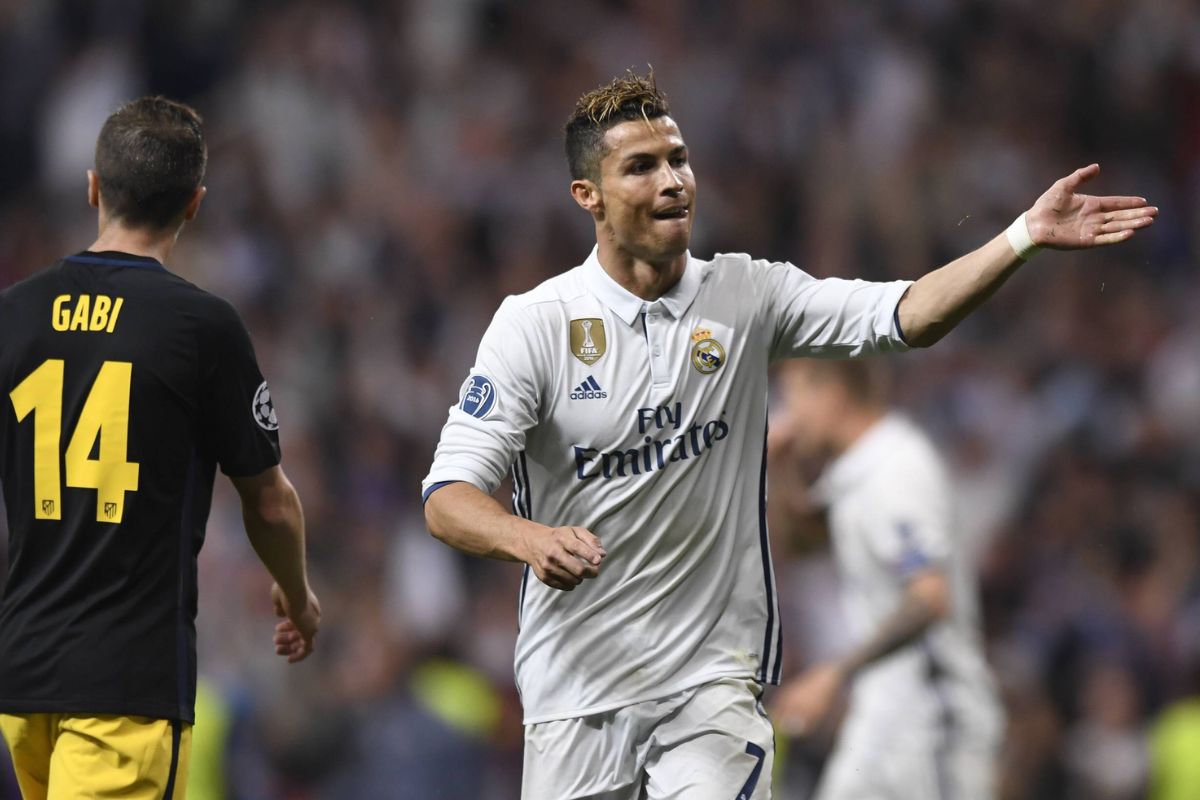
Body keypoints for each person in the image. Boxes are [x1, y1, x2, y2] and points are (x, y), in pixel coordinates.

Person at [421, 70, 1155, 799]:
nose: (673, 180)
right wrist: (528, 539)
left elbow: (906, 316)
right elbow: (447, 497)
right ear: (589, 196)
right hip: (574, 688)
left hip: (708, 687)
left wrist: (1022, 236)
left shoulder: (747, 293)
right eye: (641, 167)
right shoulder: (536, 325)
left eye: (678, 158)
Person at [0, 96, 320, 800]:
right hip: (125, 686)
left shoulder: (14, 313)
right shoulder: (203, 328)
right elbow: (269, 503)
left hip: (20, 684)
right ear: (194, 205)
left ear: (93, 187)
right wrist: (297, 598)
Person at [768, 358, 1003, 799]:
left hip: (935, 718)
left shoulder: (896, 467)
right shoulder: (857, 466)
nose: (788, 412)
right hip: (885, 712)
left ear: (832, 390)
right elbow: (804, 543)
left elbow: (930, 598)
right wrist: (778, 466)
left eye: (794, 393)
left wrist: (833, 674)